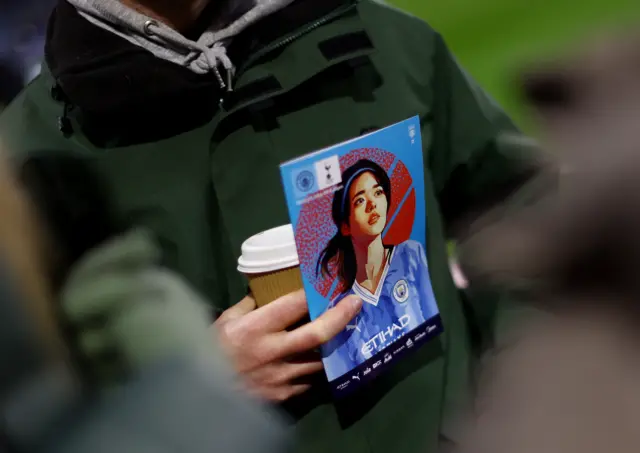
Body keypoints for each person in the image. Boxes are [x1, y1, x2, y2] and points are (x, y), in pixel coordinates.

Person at [0, 0, 543, 452]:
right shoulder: (20, 161)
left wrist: (518, 398)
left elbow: (524, 212)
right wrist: (185, 389)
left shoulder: (379, 38)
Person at [317, 159, 438, 379]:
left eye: (378, 193)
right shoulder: (336, 313)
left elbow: (434, 327)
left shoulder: (411, 255)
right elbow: (343, 382)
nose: (372, 204)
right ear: (345, 226)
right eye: (360, 200)